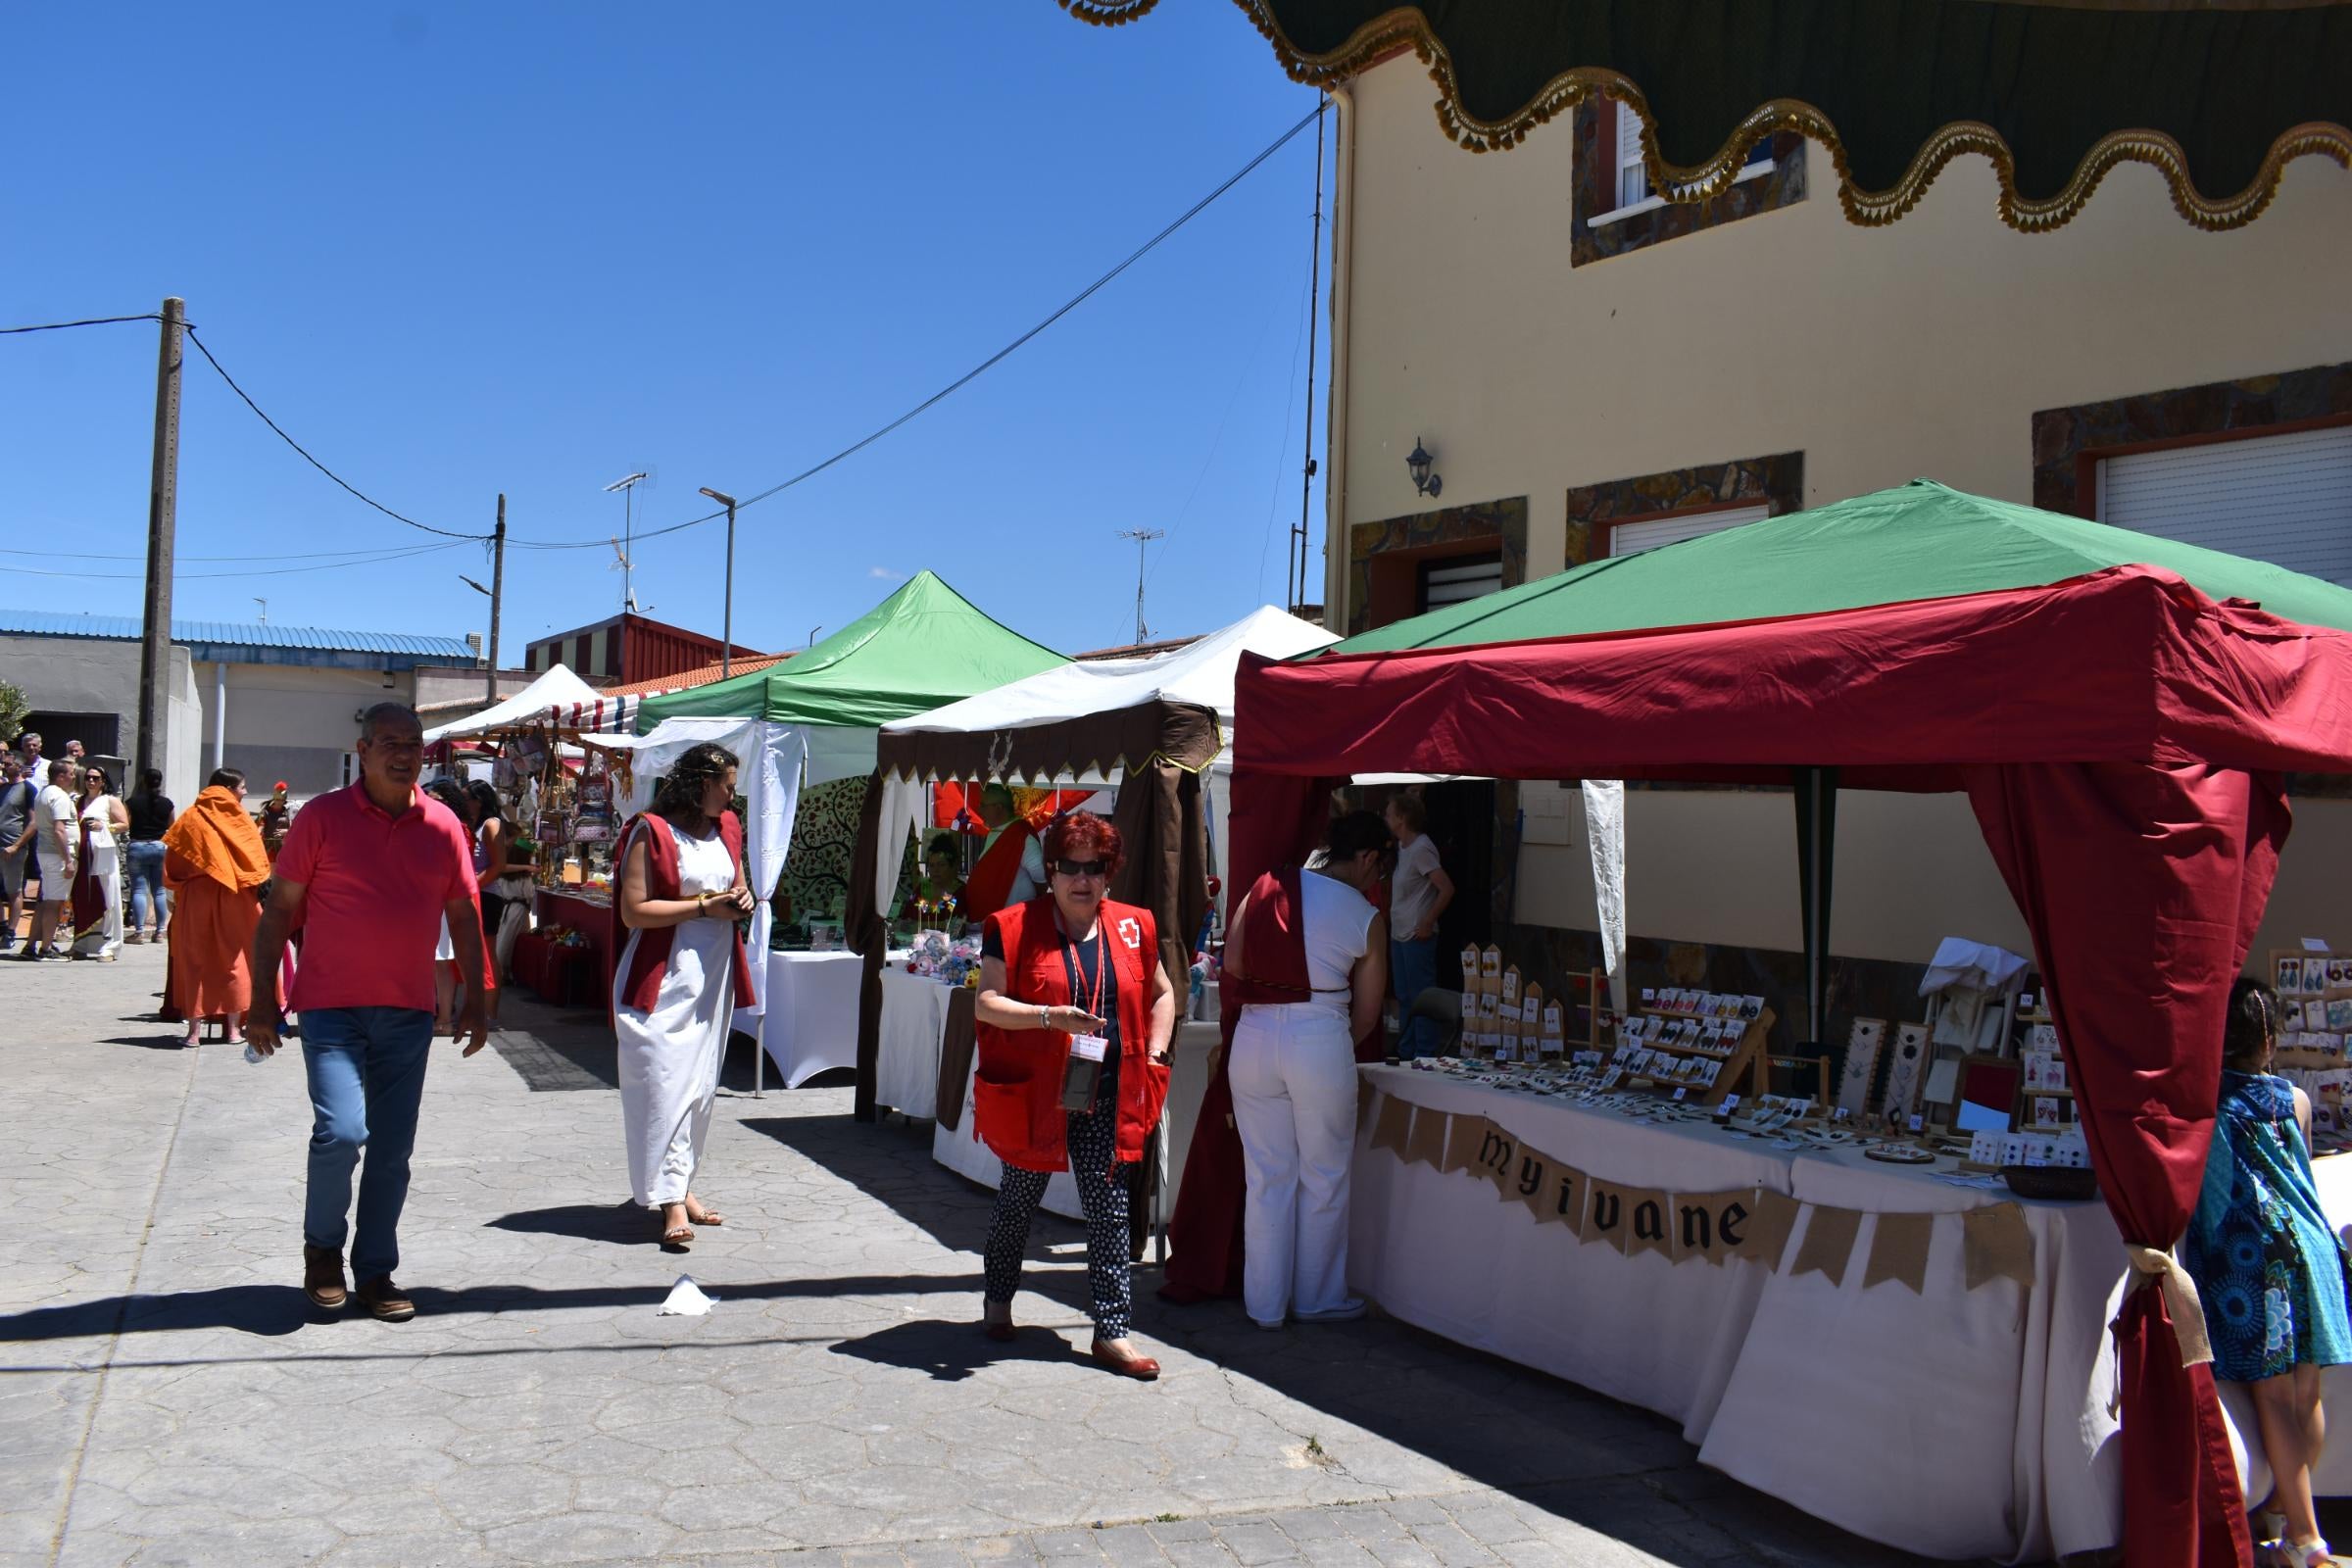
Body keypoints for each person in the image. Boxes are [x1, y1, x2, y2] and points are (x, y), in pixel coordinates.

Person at [247, 704, 491, 1323]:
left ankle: (376, 1269)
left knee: (391, 1151)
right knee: (344, 1132)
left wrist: (479, 998)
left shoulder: (443, 826)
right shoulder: (321, 818)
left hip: (408, 1012)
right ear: (363, 749)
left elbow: (463, 914)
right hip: (330, 1009)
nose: (403, 754)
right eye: (390, 743)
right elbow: (279, 910)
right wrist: (259, 1002)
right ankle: (322, 1250)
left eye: (413, 743)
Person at [972, 810, 1176, 1380]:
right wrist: (1048, 1017)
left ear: (1108, 872)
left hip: (1108, 1089)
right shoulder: (1010, 925)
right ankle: (997, 1303)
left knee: (1108, 1210)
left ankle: (1112, 1332)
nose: (1081, 880)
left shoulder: (1135, 925)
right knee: (1018, 1198)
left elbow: (1163, 993)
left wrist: (1156, 1052)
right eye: (1068, 868)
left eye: (1093, 868)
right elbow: (987, 1002)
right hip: (1038, 1091)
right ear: (1051, 872)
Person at [2181, 978, 2352, 1568]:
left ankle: (2306, 1540)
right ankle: (2282, 1521)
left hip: (2255, 1258)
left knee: (2273, 1397)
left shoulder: (2202, 1100)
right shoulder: (2294, 1099)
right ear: (2270, 1039)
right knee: (2307, 1392)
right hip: (2313, 1248)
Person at [1225, 811, 1392, 1329]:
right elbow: (1367, 1013)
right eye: (1379, 870)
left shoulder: (1267, 885)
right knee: (1324, 1173)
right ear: (1366, 858)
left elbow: (1232, 962)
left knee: (1267, 1175)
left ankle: (1265, 1305)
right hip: (1319, 1033)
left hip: (1253, 1037)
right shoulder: (1364, 916)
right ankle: (1317, 1297)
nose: (1377, 881)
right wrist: (1329, 1043)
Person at [613, 742, 756, 1250]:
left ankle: (683, 1184)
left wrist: (743, 899)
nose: (731, 796)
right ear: (701, 784)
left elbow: (739, 888)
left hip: (710, 977)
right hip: (661, 976)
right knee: (663, 1082)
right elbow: (634, 912)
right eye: (727, 787)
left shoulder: (729, 829)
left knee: (698, 1086)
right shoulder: (650, 832)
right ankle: (669, 1199)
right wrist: (701, 907)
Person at [163, 769, 271, 1047]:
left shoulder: (189, 817)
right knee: (234, 960)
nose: (245, 793)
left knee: (195, 958)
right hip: (235, 896)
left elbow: (172, 865)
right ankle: (233, 1030)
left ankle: (193, 1033)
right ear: (228, 788)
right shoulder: (240, 818)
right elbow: (257, 863)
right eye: (243, 787)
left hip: (196, 896)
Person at [1383, 792, 1453, 1059]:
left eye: (1390, 813)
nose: (1386, 817)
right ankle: (1406, 1048)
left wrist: (1427, 921)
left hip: (1416, 933)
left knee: (1421, 996)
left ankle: (1424, 1052)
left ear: (1402, 818)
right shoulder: (1401, 847)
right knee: (1404, 995)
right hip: (1399, 933)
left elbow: (1446, 888)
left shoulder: (1421, 848)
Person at [466, 779, 532, 995]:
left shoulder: (491, 824)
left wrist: (472, 886)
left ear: (479, 801)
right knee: (472, 954)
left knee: (487, 953)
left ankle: (489, 1012)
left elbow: (499, 865)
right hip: (476, 893)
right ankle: (477, 1008)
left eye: (467, 798)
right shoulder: (472, 825)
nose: (463, 802)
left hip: (484, 895)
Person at [422, 780, 477, 1035]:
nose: (431, 804)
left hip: (444, 902)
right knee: (430, 961)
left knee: (441, 961)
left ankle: (444, 1018)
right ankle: (436, 1013)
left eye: (438, 800)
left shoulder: (458, 828)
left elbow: (457, 869)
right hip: (425, 902)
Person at [19, 760, 79, 960]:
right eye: (71, 773)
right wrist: (68, 860)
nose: (73, 777)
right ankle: (46, 949)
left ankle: (30, 946)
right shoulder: (60, 796)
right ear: (60, 776)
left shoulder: (43, 793)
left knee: (45, 902)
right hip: (57, 855)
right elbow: (59, 829)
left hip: (45, 853)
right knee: (54, 903)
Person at [72, 764, 130, 960]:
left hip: (103, 856)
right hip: (83, 857)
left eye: (96, 778)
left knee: (108, 897)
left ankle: (110, 946)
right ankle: (82, 943)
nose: (91, 781)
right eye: (88, 777)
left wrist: (104, 826)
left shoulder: (110, 800)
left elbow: (124, 824)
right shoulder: (80, 801)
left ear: (103, 781)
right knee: (82, 897)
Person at [963, 781, 1046, 917]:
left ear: (999, 808)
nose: (979, 810)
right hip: (988, 922)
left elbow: (1042, 879)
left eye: (983, 805)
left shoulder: (1021, 835)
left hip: (1011, 923)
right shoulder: (994, 832)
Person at [123, 767, 173, 944]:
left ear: (143, 781)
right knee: (159, 890)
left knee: (138, 890)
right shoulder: (167, 803)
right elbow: (171, 826)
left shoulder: (132, 802)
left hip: (138, 846)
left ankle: (139, 932)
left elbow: (126, 823)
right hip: (159, 846)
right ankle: (160, 932)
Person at [0, 758, 33, 953]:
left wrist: (17, 845)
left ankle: (11, 931)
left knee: (14, 891)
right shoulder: (3, 788)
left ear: (19, 766)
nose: (4, 766)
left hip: (13, 848)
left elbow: (33, 822)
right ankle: (3, 926)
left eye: (8, 763)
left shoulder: (27, 789)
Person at [898, 832, 965, 923]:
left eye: (941, 865)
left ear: (952, 866)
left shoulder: (961, 892)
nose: (935, 870)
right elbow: (906, 921)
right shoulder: (921, 890)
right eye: (931, 865)